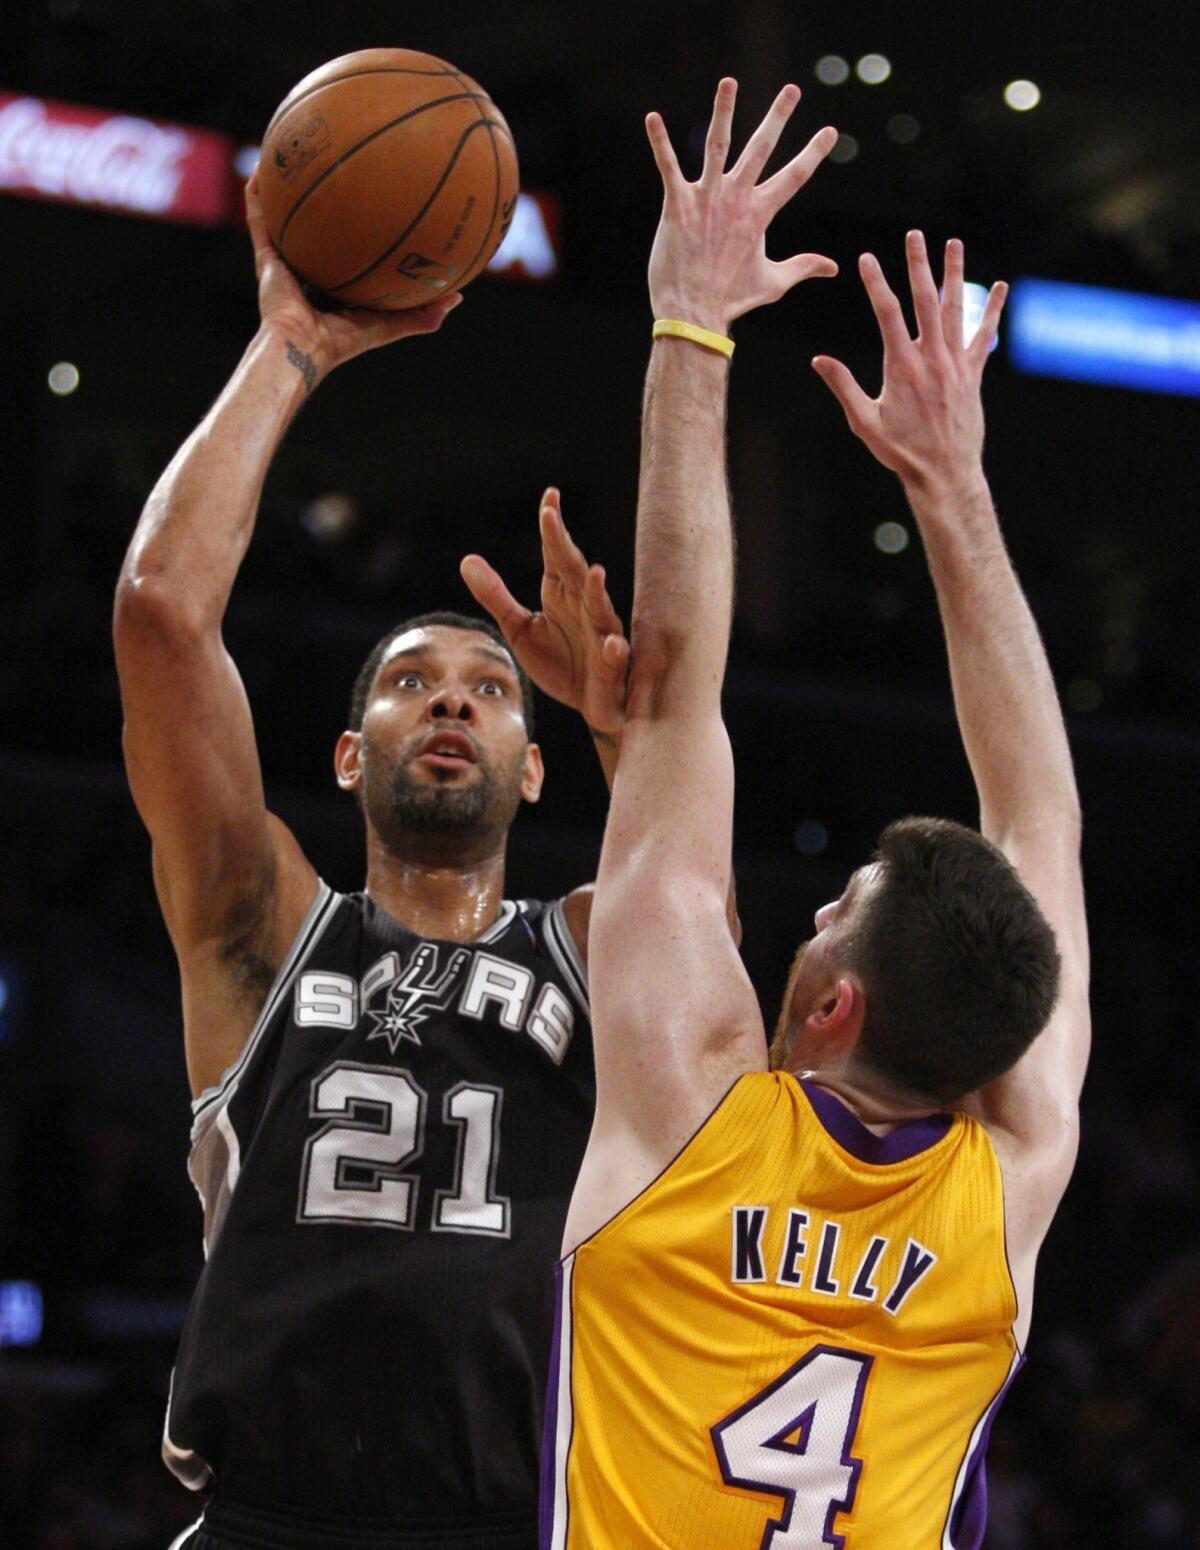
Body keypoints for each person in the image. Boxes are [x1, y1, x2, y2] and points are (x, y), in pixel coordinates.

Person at [544, 79, 1089, 1549]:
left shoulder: (692, 1109)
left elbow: (670, 696)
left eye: (833, 902)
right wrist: (955, 492)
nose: (805, 910)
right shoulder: (1006, 1191)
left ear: (835, 1001)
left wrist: (692, 324)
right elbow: (1041, 813)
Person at [114, 179, 631, 1550]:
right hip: (268, 1515)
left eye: (489, 688)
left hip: (509, 1519)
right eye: (411, 681)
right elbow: (162, 616)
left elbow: (706, 931)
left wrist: (628, 731)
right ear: (350, 755)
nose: (453, 700)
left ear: (536, 764)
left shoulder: (589, 942)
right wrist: (291, 343)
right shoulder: (264, 926)